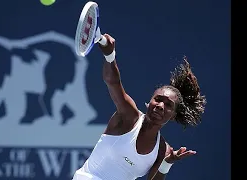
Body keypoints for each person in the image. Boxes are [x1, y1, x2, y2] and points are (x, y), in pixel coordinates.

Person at [72, 34, 207, 180]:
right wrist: (110, 55)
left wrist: (167, 163)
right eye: (158, 99)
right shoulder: (129, 116)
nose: (160, 106)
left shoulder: (162, 151)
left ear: (173, 115)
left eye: (168, 105)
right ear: (149, 103)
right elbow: (113, 82)